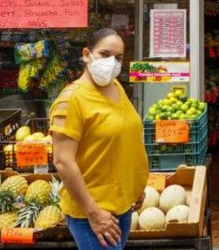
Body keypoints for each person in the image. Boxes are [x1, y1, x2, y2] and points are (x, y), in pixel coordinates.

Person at [50, 28, 148, 250]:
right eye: (105, 54)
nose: (112, 62)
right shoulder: (71, 100)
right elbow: (63, 161)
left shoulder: (116, 88)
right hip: (93, 214)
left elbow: (123, 139)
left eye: (119, 57)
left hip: (122, 208)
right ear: (87, 54)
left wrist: (135, 187)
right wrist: (93, 213)